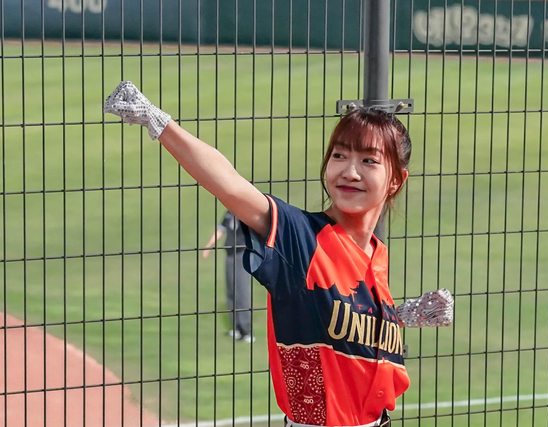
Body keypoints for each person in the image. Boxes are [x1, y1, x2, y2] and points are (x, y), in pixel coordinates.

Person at [104, 81, 453, 427]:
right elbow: (229, 184)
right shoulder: (300, 238)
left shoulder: (376, 253)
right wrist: (157, 121)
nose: (349, 171)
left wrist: (398, 315)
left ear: (396, 180)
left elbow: (335, 320)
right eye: (339, 155)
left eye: (368, 160)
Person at [202, 210, 254, 343]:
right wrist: (209, 246)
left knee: (242, 290)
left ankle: (246, 330)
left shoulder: (246, 212)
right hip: (230, 253)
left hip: (243, 253)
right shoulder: (229, 214)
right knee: (231, 290)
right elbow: (220, 230)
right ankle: (236, 327)